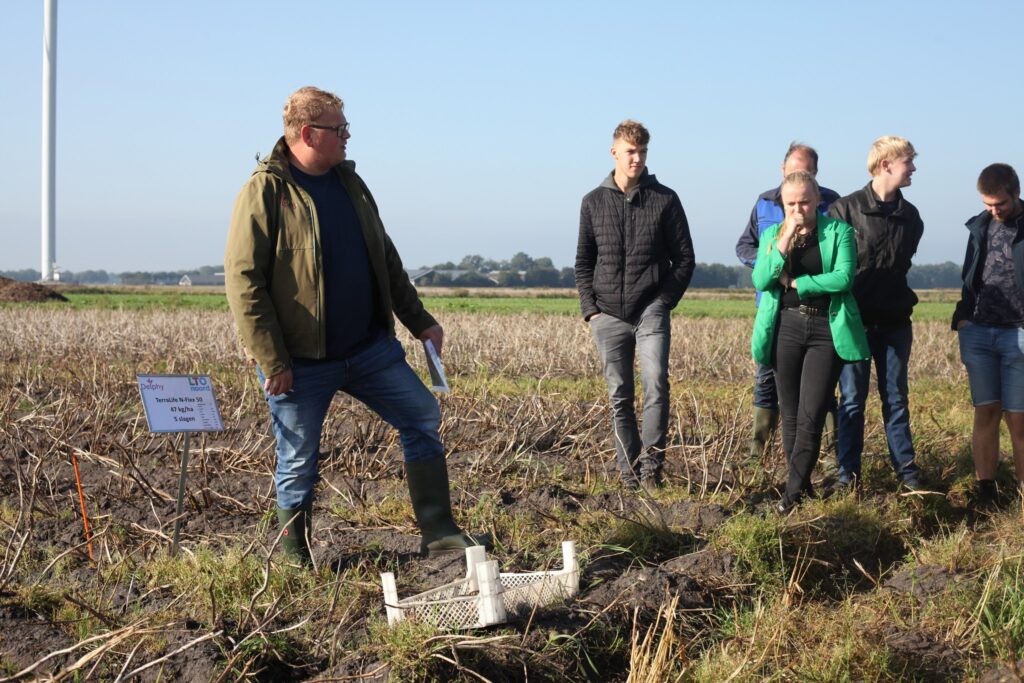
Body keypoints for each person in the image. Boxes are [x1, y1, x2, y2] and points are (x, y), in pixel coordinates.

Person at [224, 86, 483, 564]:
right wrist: (271, 359)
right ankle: (293, 558)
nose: (347, 137)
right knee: (298, 460)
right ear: (308, 133)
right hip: (300, 363)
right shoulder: (265, 191)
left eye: (346, 128)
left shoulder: (350, 183)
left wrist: (419, 320)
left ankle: (439, 529)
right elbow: (244, 283)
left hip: (368, 351)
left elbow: (385, 256)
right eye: (338, 129)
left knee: (422, 415)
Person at [575, 119, 695, 490]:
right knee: (619, 396)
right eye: (631, 152)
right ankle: (628, 475)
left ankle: (651, 471)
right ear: (615, 152)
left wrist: (663, 301)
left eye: (642, 152)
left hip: (650, 310)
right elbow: (583, 262)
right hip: (607, 314)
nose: (637, 159)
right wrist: (590, 310)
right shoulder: (592, 202)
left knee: (656, 383)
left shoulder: (666, 199)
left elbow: (685, 259)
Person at [751, 171, 869, 512]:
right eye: (791, 204)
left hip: (824, 330)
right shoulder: (773, 234)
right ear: (783, 205)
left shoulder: (839, 232)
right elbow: (761, 278)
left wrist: (796, 284)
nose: (799, 209)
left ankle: (790, 497)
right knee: (789, 414)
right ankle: (800, 489)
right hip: (784, 328)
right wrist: (785, 237)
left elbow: (843, 278)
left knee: (812, 413)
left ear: (817, 199)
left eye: (804, 201)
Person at [736, 143, 841, 463]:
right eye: (793, 170)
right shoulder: (764, 203)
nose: (798, 176)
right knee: (767, 377)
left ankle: (826, 453)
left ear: (816, 176)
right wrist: (770, 267)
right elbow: (744, 247)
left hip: (820, 311)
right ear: (782, 170)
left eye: (806, 172)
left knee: (819, 385)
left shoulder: (833, 204)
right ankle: (759, 451)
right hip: (774, 306)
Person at [829, 136, 923, 490]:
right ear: (886, 165)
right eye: (908, 162)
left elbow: (903, 264)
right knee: (852, 400)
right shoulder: (844, 211)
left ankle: (909, 476)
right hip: (854, 324)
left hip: (896, 324)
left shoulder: (911, 217)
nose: (913, 168)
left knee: (896, 399)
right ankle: (847, 477)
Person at [952, 163, 1024, 504]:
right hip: (979, 332)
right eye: (988, 204)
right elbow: (970, 277)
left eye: (1001, 204)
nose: (995, 211)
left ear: (1016, 193)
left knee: (1019, 419)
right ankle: (986, 493)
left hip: (1018, 335)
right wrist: (963, 318)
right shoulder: (979, 227)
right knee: (986, 411)